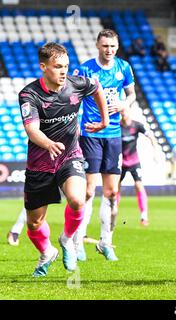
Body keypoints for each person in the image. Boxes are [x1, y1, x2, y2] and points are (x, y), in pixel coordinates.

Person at [19, 42, 108, 277]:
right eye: (58, 66)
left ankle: (67, 239)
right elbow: (32, 129)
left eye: (66, 66)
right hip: (40, 163)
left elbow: (97, 88)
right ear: (43, 67)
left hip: (70, 156)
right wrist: (48, 144)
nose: (63, 71)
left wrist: (104, 120)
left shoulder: (76, 84)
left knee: (78, 200)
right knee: (34, 224)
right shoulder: (29, 94)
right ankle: (47, 252)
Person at [73, 29, 136, 262]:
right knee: (89, 190)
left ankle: (105, 242)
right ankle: (78, 240)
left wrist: (123, 105)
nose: (109, 50)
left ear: (117, 47)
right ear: (97, 46)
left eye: (112, 46)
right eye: (105, 46)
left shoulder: (124, 67)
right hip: (90, 134)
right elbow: (74, 98)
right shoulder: (84, 69)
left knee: (111, 191)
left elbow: (132, 95)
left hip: (114, 134)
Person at [117, 107, 157, 226]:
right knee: (115, 189)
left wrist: (155, 151)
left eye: (125, 111)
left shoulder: (137, 125)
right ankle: (112, 212)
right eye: (122, 111)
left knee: (139, 185)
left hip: (134, 162)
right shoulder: (117, 126)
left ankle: (144, 216)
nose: (123, 113)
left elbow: (151, 136)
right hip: (120, 162)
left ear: (129, 112)